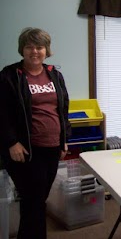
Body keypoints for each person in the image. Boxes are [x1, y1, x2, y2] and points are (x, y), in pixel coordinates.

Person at [0, 28, 71, 239]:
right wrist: (12, 142)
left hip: (52, 148)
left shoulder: (54, 75)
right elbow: (1, 113)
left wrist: (64, 140)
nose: (34, 51)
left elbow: (63, 109)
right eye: (29, 46)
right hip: (27, 150)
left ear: (46, 50)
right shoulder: (9, 76)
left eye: (39, 47)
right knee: (34, 202)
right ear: (22, 49)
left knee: (36, 201)